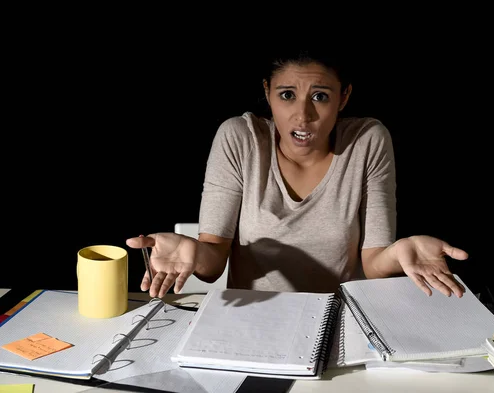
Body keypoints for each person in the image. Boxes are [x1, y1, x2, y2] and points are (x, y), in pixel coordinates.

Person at [126, 50, 469, 299]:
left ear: (343, 97)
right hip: (254, 318)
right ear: (267, 92)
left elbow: (375, 263)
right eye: (287, 95)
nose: (302, 116)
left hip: (339, 319)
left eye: (320, 96)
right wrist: (193, 250)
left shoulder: (368, 140)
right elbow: (213, 261)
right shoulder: (240, 138)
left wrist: (400, 251)